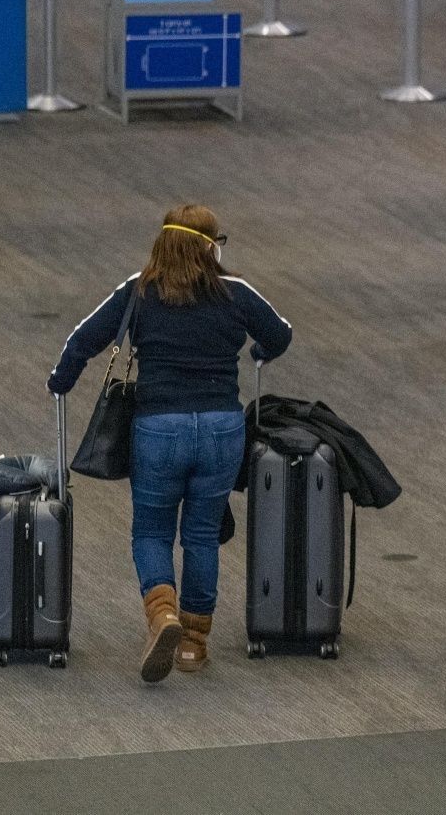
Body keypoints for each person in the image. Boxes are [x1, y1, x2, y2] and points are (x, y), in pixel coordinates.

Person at [49, 204, 293, 683]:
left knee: (151, 533)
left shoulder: (138, 290)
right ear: (209, 246)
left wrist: (60, 381)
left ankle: (163, 614)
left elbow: (83, 339)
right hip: (223, 429)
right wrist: (258, 351)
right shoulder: (235, 292)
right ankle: (193, 647)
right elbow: (280, 335)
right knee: (202, 535)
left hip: (159, 429)